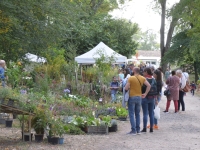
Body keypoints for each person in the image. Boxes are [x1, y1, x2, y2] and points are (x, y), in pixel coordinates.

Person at [125, 67, 151, 135]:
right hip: (139, 97)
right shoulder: (142, 78)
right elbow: (149, 86)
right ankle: (138, 130)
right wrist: (145, 94)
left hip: (132, 97)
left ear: (133, 71)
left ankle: (133, 130)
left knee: (131, 114)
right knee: (137, 114)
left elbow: (126, 88)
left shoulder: (131, 78)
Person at [140, 67, 157, 133]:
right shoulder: (154, 79)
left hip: (145, 97)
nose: (143, 73)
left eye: (144, 72)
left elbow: (141, 88)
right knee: (151, 113)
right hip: (152, 97)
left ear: (146, 72)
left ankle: (144, 128)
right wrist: (156, 99)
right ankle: (151, 128)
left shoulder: (144, 79)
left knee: (145, 113)